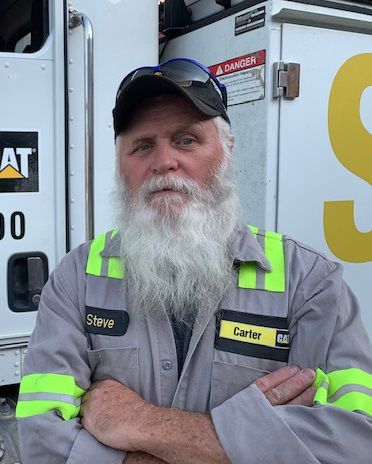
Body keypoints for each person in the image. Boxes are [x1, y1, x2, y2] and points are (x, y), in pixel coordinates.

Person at [16, 58, 372, 464]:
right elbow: (40, 438)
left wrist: (138, 422)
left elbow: (354, 441)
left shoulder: (308, 282)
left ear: (227, 152)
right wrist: (252, 438)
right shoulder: (77, 278)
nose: (164, 161)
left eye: (186, 140)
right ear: (120, 165)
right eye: (143, 145)